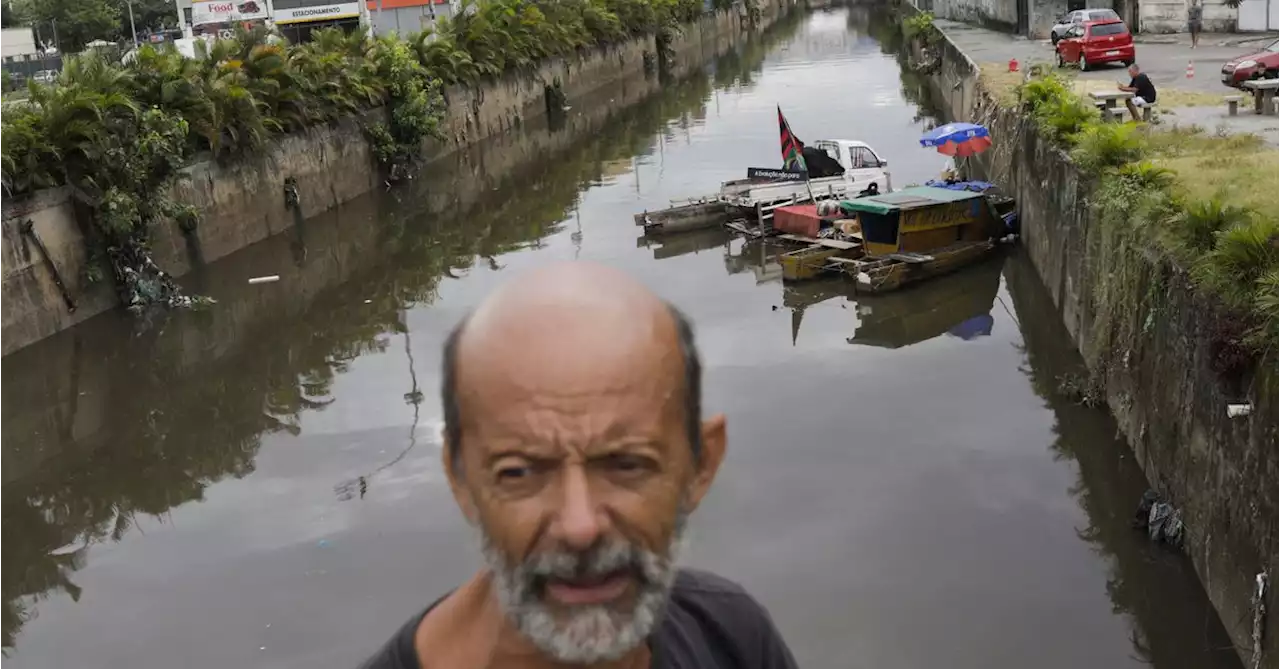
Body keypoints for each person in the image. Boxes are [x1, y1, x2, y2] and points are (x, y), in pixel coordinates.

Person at [357, 261, 799, 669]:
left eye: (627, 464)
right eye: (519, 473)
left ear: (701, 464)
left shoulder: (733, 638)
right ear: (461, 479)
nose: (580, 527)